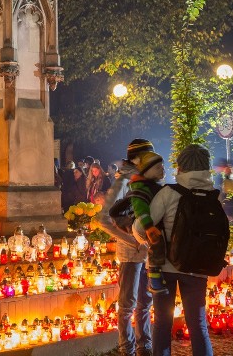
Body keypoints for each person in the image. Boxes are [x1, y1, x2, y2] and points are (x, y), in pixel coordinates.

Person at [145, 144, 216, 356]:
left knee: (162, 324)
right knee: (198, 325)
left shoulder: (169, 193)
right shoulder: (213, 195)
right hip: (198, 266)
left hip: (166, 266)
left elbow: (142, 227)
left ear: (181, 166)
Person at [95, 138, 154, 356]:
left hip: (148, 252)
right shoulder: (122, 182)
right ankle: (126, 348)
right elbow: (103, 220)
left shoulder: (148, 180)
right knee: (128, 303)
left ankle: (144, 345)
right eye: (147, 157)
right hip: (130, 254)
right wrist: (130, 240)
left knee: (145, 302)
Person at [128, 151, 168, 280]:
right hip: (150, 225)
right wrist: (148, 226)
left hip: (155, 223)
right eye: (157, 168)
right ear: (147, 171)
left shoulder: (154, 187)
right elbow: (140, 209)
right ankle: (155, 279)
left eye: (162, 166)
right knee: (156, 248)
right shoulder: (141, 189)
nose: (162, 169)